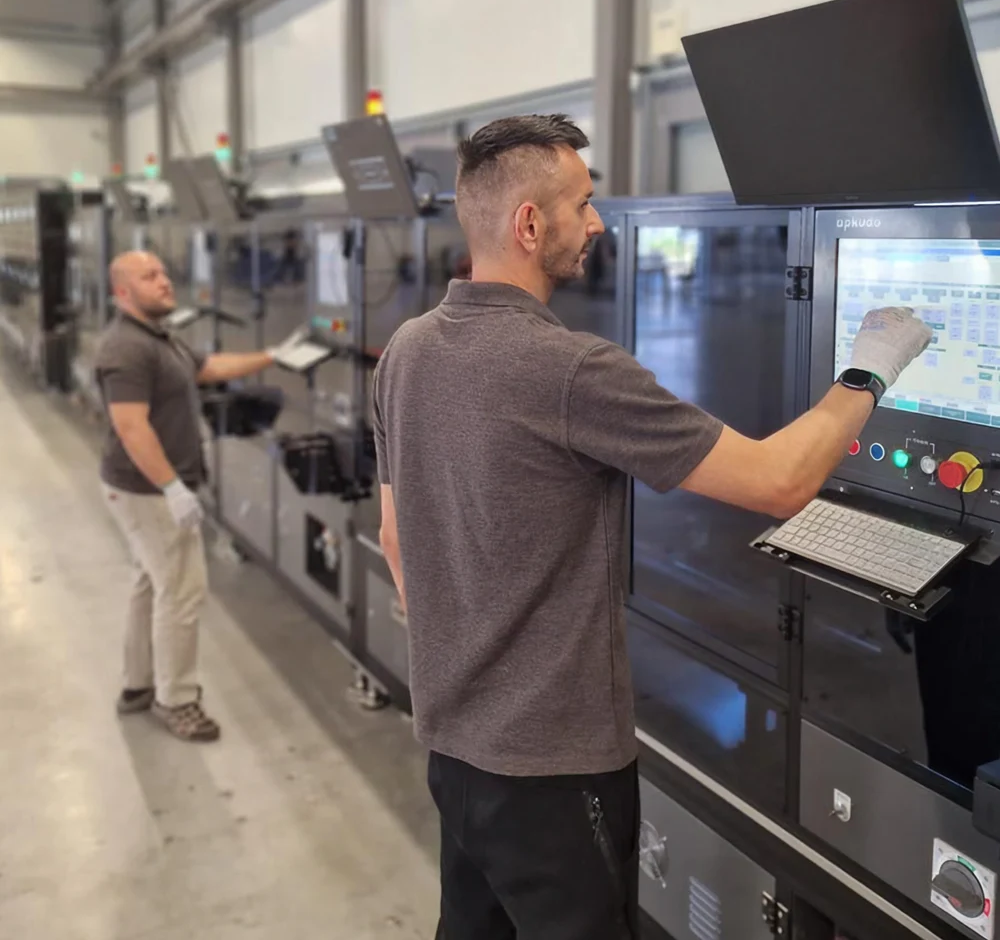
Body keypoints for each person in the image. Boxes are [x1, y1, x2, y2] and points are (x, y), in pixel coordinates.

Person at [371, 114, 931, 939]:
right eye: (583, 204)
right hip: (557, 774)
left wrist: (468, 649)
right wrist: (868, 368)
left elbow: (395, 539)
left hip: (454, 751)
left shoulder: (407, 350)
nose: (597, 223)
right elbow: (780, 480)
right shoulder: (571, 371)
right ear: (530, 224)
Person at [95, 250, 300, 742]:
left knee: (151, 583)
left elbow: (207, 368)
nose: (165, 281)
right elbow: (130, 425)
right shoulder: (126, 348)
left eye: (164, 271)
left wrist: (274, 355)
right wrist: (171, 487)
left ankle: (139, 684)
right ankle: (178, 700)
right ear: (123, 293)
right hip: (148, 490)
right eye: (150, 276)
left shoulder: (159, 338)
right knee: (182, 592)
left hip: (148, 489)